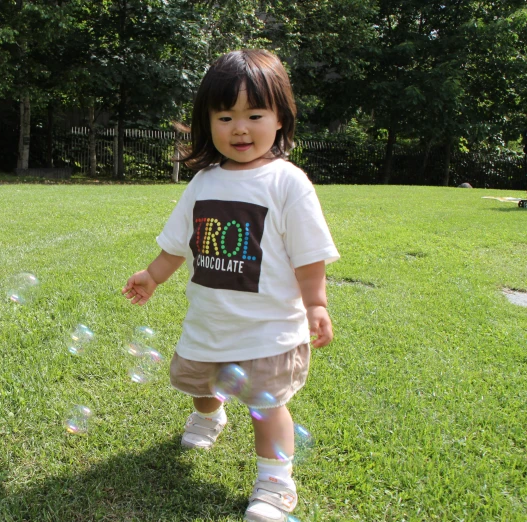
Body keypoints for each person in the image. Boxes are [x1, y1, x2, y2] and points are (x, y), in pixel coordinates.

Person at [122, 49, 339, 522]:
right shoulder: (203, 182)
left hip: (269, 330)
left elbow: (310, 255)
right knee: (199, 383)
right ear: (208, 122)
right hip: (210, 323)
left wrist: (316, 304)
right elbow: (179, 242)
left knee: (267, 405)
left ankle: (275, 485)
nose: (240, 128)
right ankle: (209, 413)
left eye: (254, 115)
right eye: (225, 116)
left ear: (280, 118)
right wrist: (152, 275)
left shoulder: (288, 183)